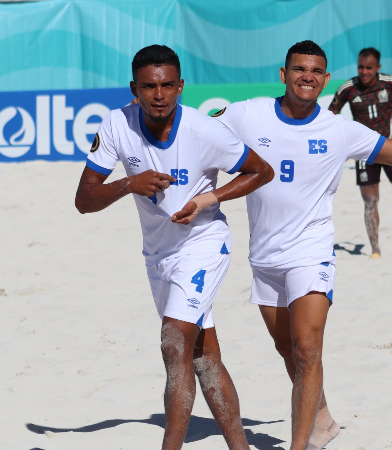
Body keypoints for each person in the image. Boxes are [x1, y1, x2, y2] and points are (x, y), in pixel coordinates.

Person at [213, 40, 392, 450]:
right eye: (299, 69)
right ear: (284, 75)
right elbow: (195, 132)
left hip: (312, 251)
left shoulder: (339, 129)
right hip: (264, 255)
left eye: (316, 71)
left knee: (306, 350)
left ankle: (301, 445)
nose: (307, 77)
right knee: (287, 349)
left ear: (326, 80)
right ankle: (322, 420)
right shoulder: (248, 113)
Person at [75, 45, 273, 450]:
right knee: (203, 356)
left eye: (167, 85)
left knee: (173, 342)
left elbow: (261, 171)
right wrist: (130, 182)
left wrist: (208, 200)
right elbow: (84, 200)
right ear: (135, 88)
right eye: (149, 86)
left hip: (204, 244)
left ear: (181, 86)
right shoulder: (116, 125)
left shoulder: (204, 130)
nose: (159, 94)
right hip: (158, 256)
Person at [329, 47, 392, 259]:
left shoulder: (390, 83)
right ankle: (375, 250)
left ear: (378, 68)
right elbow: (329, 116)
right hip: (365, 153)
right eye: (360, 67)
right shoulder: (348, 88)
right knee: (370, 202)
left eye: (369, 68)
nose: (364, 72)